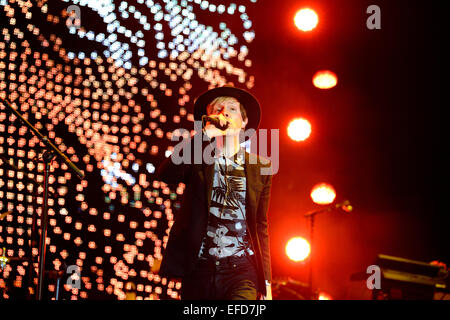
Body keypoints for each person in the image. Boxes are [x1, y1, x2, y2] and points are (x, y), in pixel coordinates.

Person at [156, 85, 273, 300]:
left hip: (241, 270)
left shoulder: (260, 167)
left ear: (244, 122)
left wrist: (266, 282)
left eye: (232, 108)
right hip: (200, 269)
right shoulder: (197, 159)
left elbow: (260, 225)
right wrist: (205, 135)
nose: (224, 113)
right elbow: (167, 174)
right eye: (217, 109)